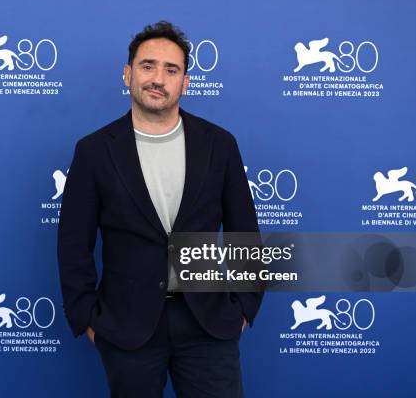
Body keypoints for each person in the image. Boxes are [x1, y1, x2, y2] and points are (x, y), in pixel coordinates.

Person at [57, 21, 262, 398]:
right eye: (148, 66)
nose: (158, 78)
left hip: (208, 322)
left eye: (172, 70)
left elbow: (244, 232)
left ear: (185, 82)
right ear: (127, 73)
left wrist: (244, 307)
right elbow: (73, 243)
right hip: (127, 325)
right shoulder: (94, 150)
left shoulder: (220, 144)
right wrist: (87, 316)